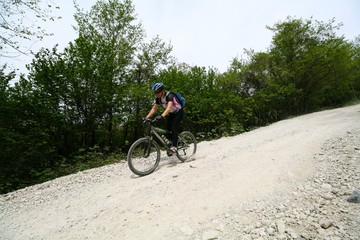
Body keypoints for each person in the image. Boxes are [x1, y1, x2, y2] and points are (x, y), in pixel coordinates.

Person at [145, 82, 184, 153]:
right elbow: (154, 109)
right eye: (155, 92)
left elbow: (169, 107)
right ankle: (170, 146)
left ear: (162, 90)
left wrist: (162, 116)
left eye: (158, 92)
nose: (157, 94)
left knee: (173, 127)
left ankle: (174, 147)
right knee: (167, 129)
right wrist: (146, 117)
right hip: (172, 113)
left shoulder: (170, 96)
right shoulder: (158, 99)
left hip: (179, 112)